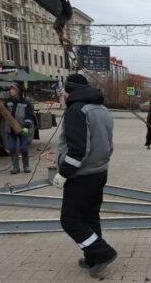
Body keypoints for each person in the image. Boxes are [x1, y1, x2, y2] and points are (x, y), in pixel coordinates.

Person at [53, 74, 117, 277]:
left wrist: (63, 173)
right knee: (90, 216)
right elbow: (109, 144)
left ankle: (102, 253)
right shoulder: (102, 109)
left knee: (70, 219)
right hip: (99, 172)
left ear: (69, 91)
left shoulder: (76, 110)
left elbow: (78, 150)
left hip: (81, 175)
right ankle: (92, 258)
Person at [5, 83, 35, 174]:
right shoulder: (8, 102)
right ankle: (15, 167)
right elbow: (3, 112)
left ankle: (26, 166)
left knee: (24, 149)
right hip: (11, 129)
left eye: (13, 89)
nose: (11, 91)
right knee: (12, 148)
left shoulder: (25, 103)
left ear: (18, 91)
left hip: (22, 129)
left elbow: (30, 116)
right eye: (10, 89)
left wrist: (26, 127)